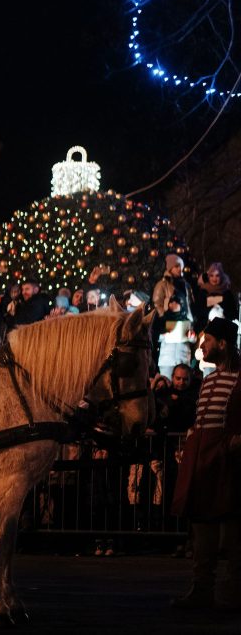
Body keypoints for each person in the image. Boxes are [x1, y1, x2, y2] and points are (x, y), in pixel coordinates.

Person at [170, 317, 241, 609]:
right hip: (203, 457)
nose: (202, 345)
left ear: (222, 344)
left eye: (207, 340)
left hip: (231, 462)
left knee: (235, 531)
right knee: (202, 527)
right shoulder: (209, 379)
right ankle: (202, 589)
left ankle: (234, 591)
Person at [152, 254, 195, 377]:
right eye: (176, 266)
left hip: (184, 326)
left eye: (180, 266)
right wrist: (165, 317)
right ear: (170, 267)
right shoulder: (162, 284)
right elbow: (157, 302)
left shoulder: (186, 285)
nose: (179, 269)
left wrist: (190, 322)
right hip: (169, 325)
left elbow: (189, 304)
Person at [195, 262, 239, 335]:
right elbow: (198, 310)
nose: (214, 278)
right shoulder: (203, 291)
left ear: (221, 276)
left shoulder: (227, 293)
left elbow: (232, 313)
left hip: (223, 330)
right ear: (208, 277)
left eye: (217, 275)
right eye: (211, 276)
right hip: (205, 330)